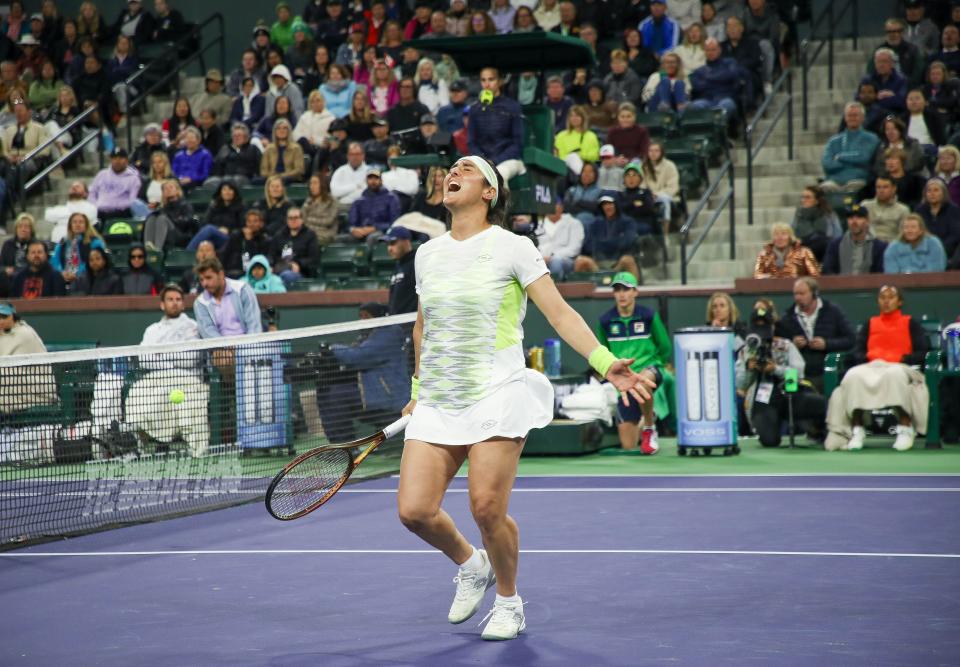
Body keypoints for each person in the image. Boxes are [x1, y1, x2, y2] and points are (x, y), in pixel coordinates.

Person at [398, 154, 656, 641]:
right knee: (414, 511)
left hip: (497, 390)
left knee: (486, 507)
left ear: (489, 191)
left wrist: (605, 363)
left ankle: (509, 602)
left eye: (466, 170)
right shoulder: (427, 254)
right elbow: (422, 326)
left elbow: (559, 315)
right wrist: (416, 391)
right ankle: (472, 564)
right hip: (439, 398)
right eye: (450, 169)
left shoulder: (514, 247)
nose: (452, 173)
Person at [824, 285, 930, 452]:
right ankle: (857, 430)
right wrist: (866, 357)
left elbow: (924, 350)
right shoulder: (870, 324)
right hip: (872, 366)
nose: (886, 301)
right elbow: (858, 350)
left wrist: (904, 358)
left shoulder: (910, 323)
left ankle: (905, 427)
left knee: (893, 375)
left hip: (899, 366)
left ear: (900, 301)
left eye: (891, 297)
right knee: (853, 375)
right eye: (882, 297)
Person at [125, 283, 209, 457]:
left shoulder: (193, 326)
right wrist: (171, 359)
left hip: (187, 379)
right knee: (137, 394)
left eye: (178, 299)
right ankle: (140, 446)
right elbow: (144, 359)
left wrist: (161, 356)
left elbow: (190, 358)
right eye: (170, 299)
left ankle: (194, 449)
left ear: (183, 304)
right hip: (157, 379)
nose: (174, 303)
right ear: (162, 304)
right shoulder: (152, 330)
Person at [595, 271, 671, 452]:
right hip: (623, 378)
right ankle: (648, 416)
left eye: (626, 289)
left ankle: (649, 429)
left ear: (635, 292)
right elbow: (602, 351)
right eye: (617, 289)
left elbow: (665, 346)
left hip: (650, 369)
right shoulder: (605, 321)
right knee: (628, 445)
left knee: (641, 383)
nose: (621, 294)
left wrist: (657, 363)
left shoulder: (648, 316)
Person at [736, 299, 826, 447]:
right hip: (762, 399)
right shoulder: (747, 350)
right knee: (770, 441)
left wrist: (776, 369)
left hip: (789, 394)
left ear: (772, 326)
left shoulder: (785, 345)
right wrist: (748, 368)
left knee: (820, 404)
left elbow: (799, 373)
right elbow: (740, 384)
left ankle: (818, 431)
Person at [775, 277, 855, 390]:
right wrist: (792, 344)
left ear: (814, 293)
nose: (797, 297)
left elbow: (851, 339)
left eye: (802, 293)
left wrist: (826, 344)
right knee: (790, 393)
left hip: (825, 370)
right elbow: (778, 344)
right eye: (795, 294)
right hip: (796, 372)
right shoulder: (787, 317)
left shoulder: (833, 311)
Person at [467, 67, 525, 182]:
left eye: (491, 79)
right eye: (483, 80)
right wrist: (484, 160)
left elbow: (517, 144)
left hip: (509, 160)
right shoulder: (474, 109)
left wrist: (496, 161)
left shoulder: (512, 107)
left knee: (499, 175)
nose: (487, 84)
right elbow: (471, 142)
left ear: (499, 81)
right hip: (483, 161)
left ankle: (502, 201)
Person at [573, 194, 642, 278]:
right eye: (604, 204)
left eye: (610, 204)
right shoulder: (595, 223)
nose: (607, 207)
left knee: (628, 260)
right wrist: (615, 241)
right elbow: (588, 244)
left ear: (616, 205)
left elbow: (627, 242)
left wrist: (602, 243)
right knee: (581, 261)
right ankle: (579, 290)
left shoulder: (628, 222)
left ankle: (633, 289)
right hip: (597, 264)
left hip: (619, 262)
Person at [193, 257, 262, 338]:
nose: (205, 284)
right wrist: (223, 348)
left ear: (221, 274)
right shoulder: (200, 303)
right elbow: (207, 331)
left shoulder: (243, 289)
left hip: (248, 345)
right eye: (201, 280)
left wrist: (250, 346)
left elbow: (253, 324)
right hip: (219, 348)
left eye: (208, 278)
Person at [820, 102, 881, 193]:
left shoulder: (871, 138)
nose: (852, 118)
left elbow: (864, 158)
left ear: (862, 118)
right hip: (834, 181)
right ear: (845, 118)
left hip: (859, 179)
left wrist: (839, 157)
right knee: (824, 188)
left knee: (854, 187)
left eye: (855, 115)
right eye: (849, 115)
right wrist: (853, 161)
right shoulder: (833, 141)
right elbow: (827, 164)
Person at [822, 204, 889, 276]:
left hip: (870, 286)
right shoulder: (835, 244)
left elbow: (880, 273)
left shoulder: (880, 247)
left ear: (867, 221)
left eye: (859, 217)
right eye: (850, 218)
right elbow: (827, 270)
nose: (854, 221)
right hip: (841, 285)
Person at [345, 168, 401, 246]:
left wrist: (375, 228)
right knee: (342, 239)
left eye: (376, 178)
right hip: (361, 232)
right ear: (366, 180)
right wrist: (353, 230)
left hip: (383, 232)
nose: (373, 181)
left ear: (381, 180)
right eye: (370, 178)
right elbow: (351, 223)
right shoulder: (359, 200)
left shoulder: (391, 198)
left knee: (372, 238)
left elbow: (394, 222)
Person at [688, 37, 741, 119]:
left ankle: (718, 128)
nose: (710, 53)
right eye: (708, 50)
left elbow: (732, 75)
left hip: (725, 98)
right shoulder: (698, 71)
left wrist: (708, 78)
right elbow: (698, 87)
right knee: (696, 105)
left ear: (719, 50)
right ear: (704, 52)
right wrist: (721, 80)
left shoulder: (730, 63)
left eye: (713, 50)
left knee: (726, 105)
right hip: (706, 100)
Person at [50, 211, 105, 290]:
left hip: (85, 280)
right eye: (74, 222)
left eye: (81, 222)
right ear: (70, 225)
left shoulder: (95, 242)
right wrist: (61, 273)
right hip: (63, 278)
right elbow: (55, 260)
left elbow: (94, 262)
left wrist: (77, 274)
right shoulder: (63, 242)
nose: (77, 224)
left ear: (86, 225)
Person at [790, 185, 843, 262]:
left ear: (817, 200)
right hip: (803, 251)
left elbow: (837, 237)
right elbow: (792, 234)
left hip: (825, 252)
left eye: (807, 197)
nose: (803, 200)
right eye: (802, 197)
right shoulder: (799, 214)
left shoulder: (829, 215)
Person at [187, 182, 245, 251]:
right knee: (207, 236)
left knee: (209, 229)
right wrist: (218, 229)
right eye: (224, 189)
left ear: (234, 192)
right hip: (214, 237)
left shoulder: (241, 207)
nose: (227, 192)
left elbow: (242, 227)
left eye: (230, 189)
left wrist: (229, 231)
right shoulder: (214, 206)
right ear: (220, 192)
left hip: (230, 239)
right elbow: (205, 223)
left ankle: (188, 252)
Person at [269, 207, 320, 285]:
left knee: (287, 275)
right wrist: (271, 265)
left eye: (296, 217)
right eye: (290, 218)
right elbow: (271, 255)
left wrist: (298, 264)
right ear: (287, 220)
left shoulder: (310, 235)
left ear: (302, 220)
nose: (293, 220)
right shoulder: (279, 236)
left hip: (302, 273)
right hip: (279, 269)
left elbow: (313, 258)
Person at [142, 179, 196, 250]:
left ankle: (157, 249)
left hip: (180, 235)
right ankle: (148, 247)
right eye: (165, 189)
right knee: (152, 217)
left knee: (162, 218)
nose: (168, 190)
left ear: (177, 190)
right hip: (166, 232)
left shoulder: (185, 205)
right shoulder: (162, 207)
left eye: (171, 187)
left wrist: (171, 218)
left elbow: (187, 223)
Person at [753, 222, 820, 279]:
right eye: (776, 234)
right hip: (772, 291)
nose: (780, 237)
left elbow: (815, 275)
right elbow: (757, 275)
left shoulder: (804, 252)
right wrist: (770, 276)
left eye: (783, 234)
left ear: (790, 237)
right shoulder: (764, 254)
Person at [220, 209, 272, 279]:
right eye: (249, 221)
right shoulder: (236, 236)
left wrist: (249, 241)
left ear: (261, 223)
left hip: (253, 273)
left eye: (255, 221)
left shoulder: (265, 240)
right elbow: (225, 254)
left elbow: (257, 260)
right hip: (232, 270)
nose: (251, 224)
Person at [916, 177, 960, 258]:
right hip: (923, 249)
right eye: (929, 191)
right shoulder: (920, 210)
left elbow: (955, 235)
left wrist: (938, 248)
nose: (932, 193)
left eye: (936, 190)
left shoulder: (953, 210)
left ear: (943, 193)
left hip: (947, 250)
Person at [208, 123, 260, 190]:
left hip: (244, 177)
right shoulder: (225, 149)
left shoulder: (252, 149)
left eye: (239, 135)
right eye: (234, 136)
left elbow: (258, 166)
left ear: (246, 137)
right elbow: (216, 165)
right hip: (224, 178)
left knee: (233, 181)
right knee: (210, 182)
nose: (236, 138)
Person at [861, 175, 911, 243]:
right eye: (878, 187)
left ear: (894, 188)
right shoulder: (865, 205)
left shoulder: (903, 210)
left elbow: (904, 235)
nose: (881, 190)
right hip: (867, 244)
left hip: (891, 246)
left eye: (885, 187)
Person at [381, 226, 417, 314]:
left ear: (406, 241)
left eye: (393, 243)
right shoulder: (398, 265)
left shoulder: (417, 262)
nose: (389, 248)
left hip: (410, 322)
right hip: (396, 323)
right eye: (387, 244)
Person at [330, 141, 371, 210]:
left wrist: (344, 192)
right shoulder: (340, 171)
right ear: (348, 156)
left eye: (357, 154)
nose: (355, 157)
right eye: (352, 154)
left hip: (365, 206)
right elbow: (334, 192)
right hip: (342, 206)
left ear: (363, 155)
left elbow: (370, 192)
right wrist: (356, 186)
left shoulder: (370, 171)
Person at [1, 213, 37, 280]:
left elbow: (38, 266)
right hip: (9, 280)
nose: (23, 229)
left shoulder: (37, 245)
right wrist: (5, 269)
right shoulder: (7, 244)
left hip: (30, 278)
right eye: (20, 226)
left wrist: (15, 269)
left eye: (26, 227)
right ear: (16, 229)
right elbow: (1, 265)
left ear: (31, 230)